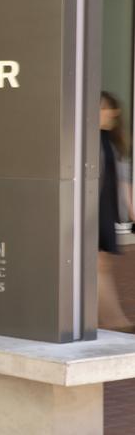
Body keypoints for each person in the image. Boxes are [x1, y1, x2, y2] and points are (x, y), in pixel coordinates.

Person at [98, 91, 132, 331]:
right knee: (98, 263)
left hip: (106, 210)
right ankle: (114, 320)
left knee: (102, 264)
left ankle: (107, 319)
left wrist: (131, 208)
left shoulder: (111, 141)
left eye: (112, 108)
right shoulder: (87, 139)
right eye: (106, 107)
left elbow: (122, 180)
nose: (113, 112)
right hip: (92, 209)